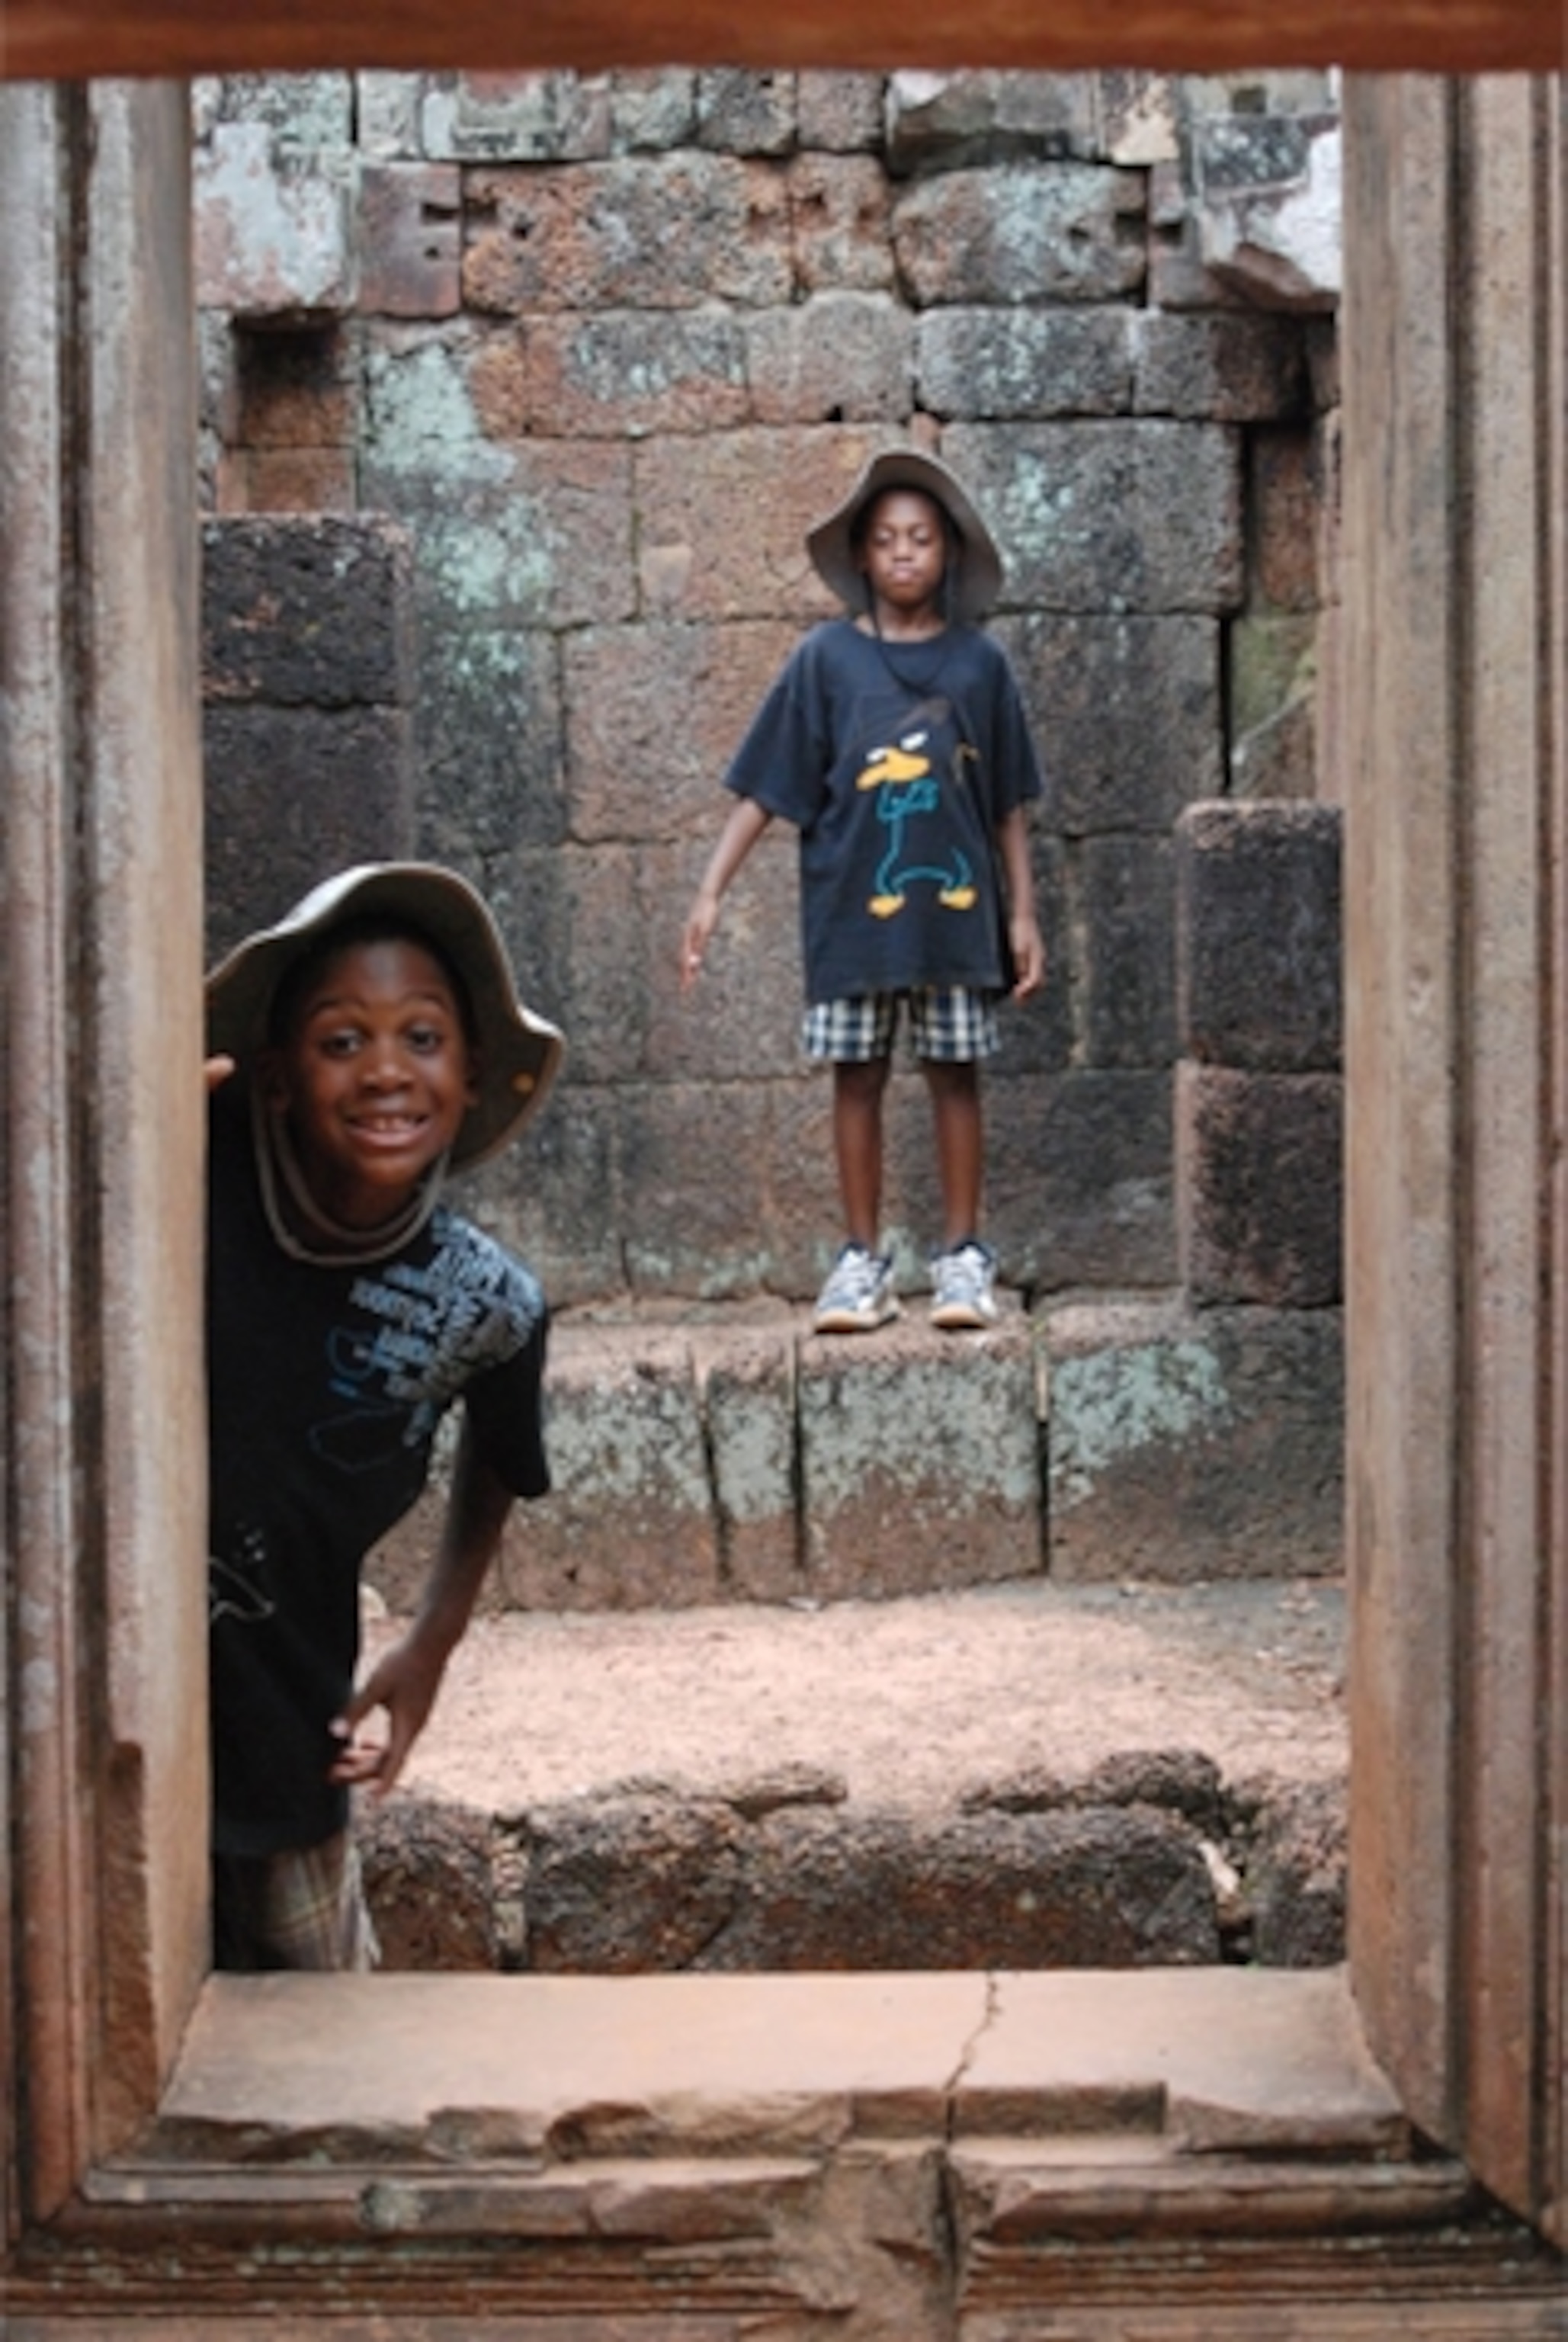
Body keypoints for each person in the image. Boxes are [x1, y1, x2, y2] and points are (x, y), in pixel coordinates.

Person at [203, 862, 564, 1971]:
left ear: (467, 1080)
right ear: (274, 1079)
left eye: (422, 1038)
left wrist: (433, 1641)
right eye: (340, 1041)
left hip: (281, 1738)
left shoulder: (485, 1303)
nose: (385, 1073)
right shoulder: (182, 1180)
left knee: (318, 2061)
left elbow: (502, 1461)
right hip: (98, 1722)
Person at [680, 448, 1046, 1334]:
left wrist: (1024, 912)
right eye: (885, 541)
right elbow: (768, 787)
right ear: (862, 557)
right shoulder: (824, 661)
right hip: (853, 916)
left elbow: (1005, 804)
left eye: (921, 539)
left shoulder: (978, 667)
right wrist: (709, 891)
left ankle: (961, 1257)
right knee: (857, 1077)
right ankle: (860, 1262)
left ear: (947, 553)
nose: (904, 555)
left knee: (955, 1074)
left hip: (958, 922)